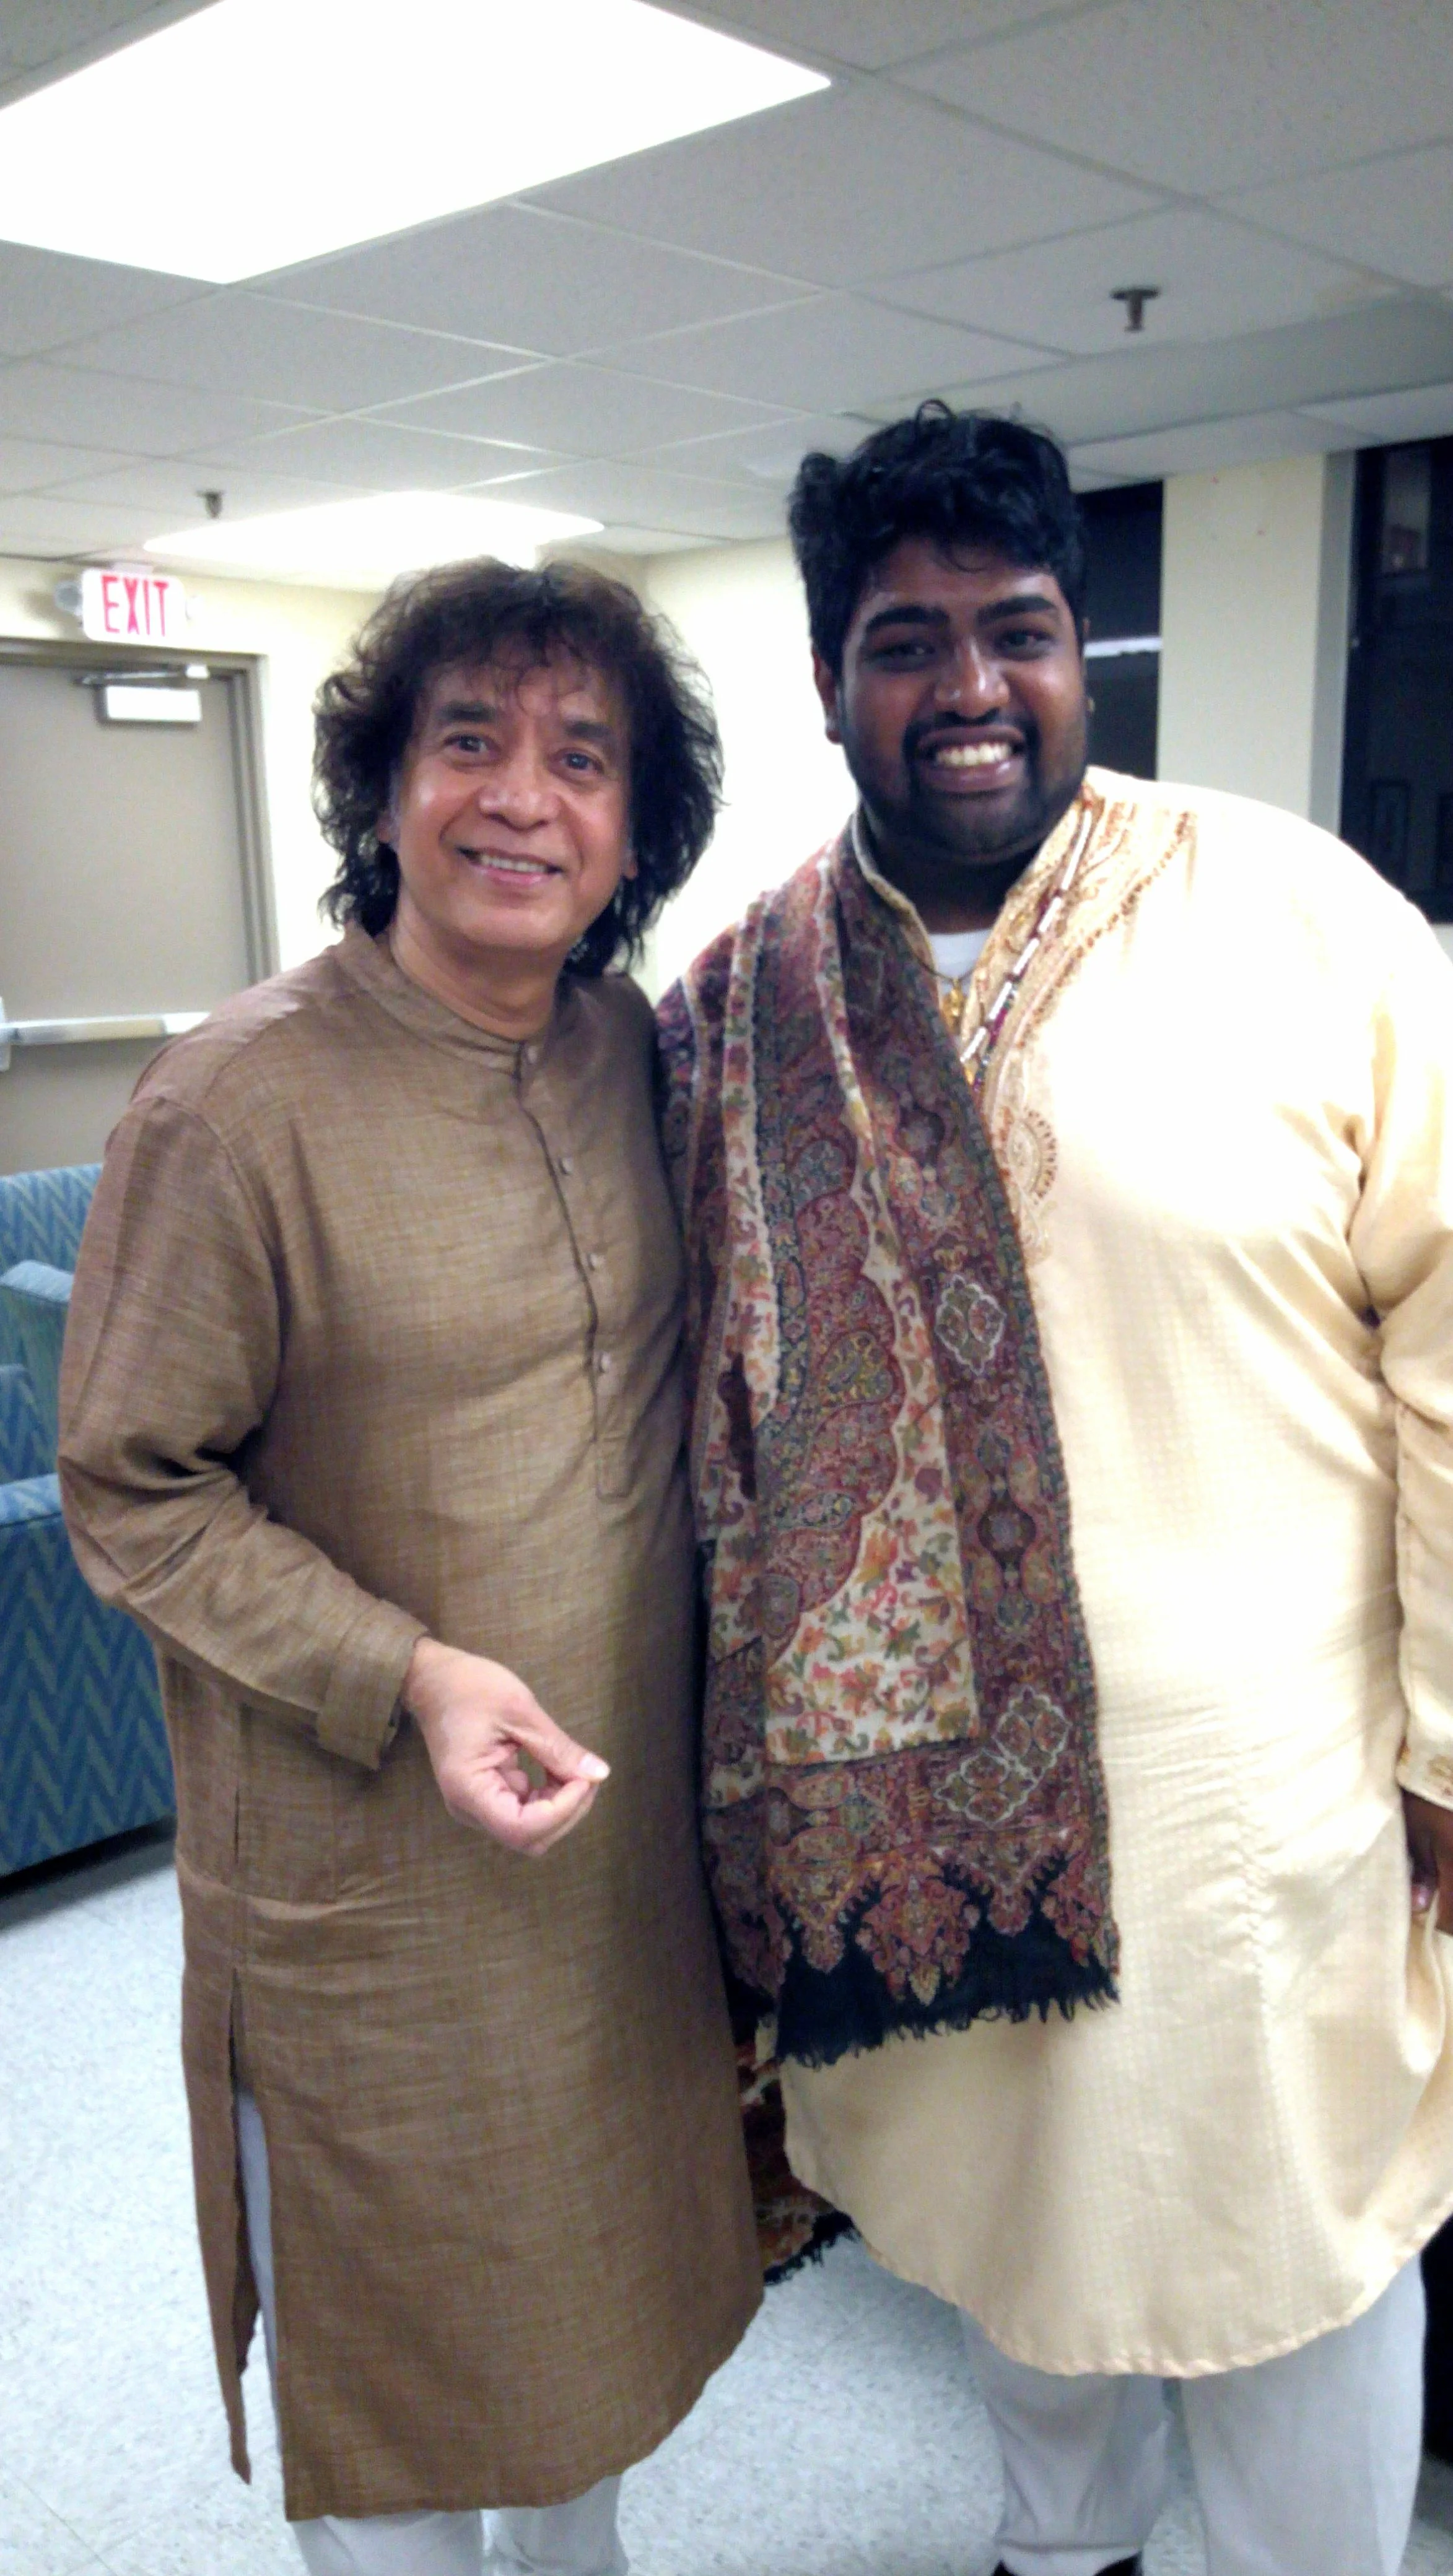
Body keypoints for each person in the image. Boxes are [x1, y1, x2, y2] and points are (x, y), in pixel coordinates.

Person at [657, 402, 1453, 2576]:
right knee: (1022, 2254)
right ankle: (1058, 2556)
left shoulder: (1299, 915)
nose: (970, 689)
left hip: (1258, 1813)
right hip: (918, 1839)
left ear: (1084, 650)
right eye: (904, 643)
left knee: (1301, 2260)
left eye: (1017, 631)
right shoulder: (741, 1004)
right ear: (830, 681)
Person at [59, 558, 761, 2576]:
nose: (520, 799)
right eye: (469, 743)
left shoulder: (627, 1049)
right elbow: (131, 1489)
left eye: (580, 759)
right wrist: (416, 1674)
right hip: (373, 1891)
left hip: (613, 1886)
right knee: (401, 2426)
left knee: (588, 2382)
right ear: (384, 787)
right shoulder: (232, 1102)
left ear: (636, 830)